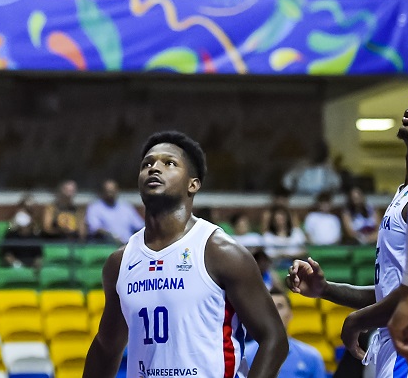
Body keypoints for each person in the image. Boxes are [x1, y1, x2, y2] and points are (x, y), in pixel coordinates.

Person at [289, 77, 408, 378]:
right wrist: (326, 289)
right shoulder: (406, 192)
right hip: (395, 343)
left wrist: (357, 320)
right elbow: (393, 292)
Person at [83, 131, 288, 378]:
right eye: (147, 164)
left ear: (193, 184)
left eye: (168, 163)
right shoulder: (120, 262)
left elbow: (274, 338)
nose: (154, 168)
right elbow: (106, 347)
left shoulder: (220, 252)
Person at [242, 290, 329, 378]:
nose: (275, 312)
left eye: (280, 306)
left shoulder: (311, 356)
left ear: (290, 314)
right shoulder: (246, 355)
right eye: (270, 307)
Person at [85, 179, 144, 243]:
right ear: (102, 192)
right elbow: (95, 228)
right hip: (106, 247)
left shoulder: (126, 207)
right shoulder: (94, 208)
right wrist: (112, 237)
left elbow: (139, 226)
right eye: (108, 191)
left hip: (128, 246)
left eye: (112, 191)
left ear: (117, 191)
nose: (110, 194)